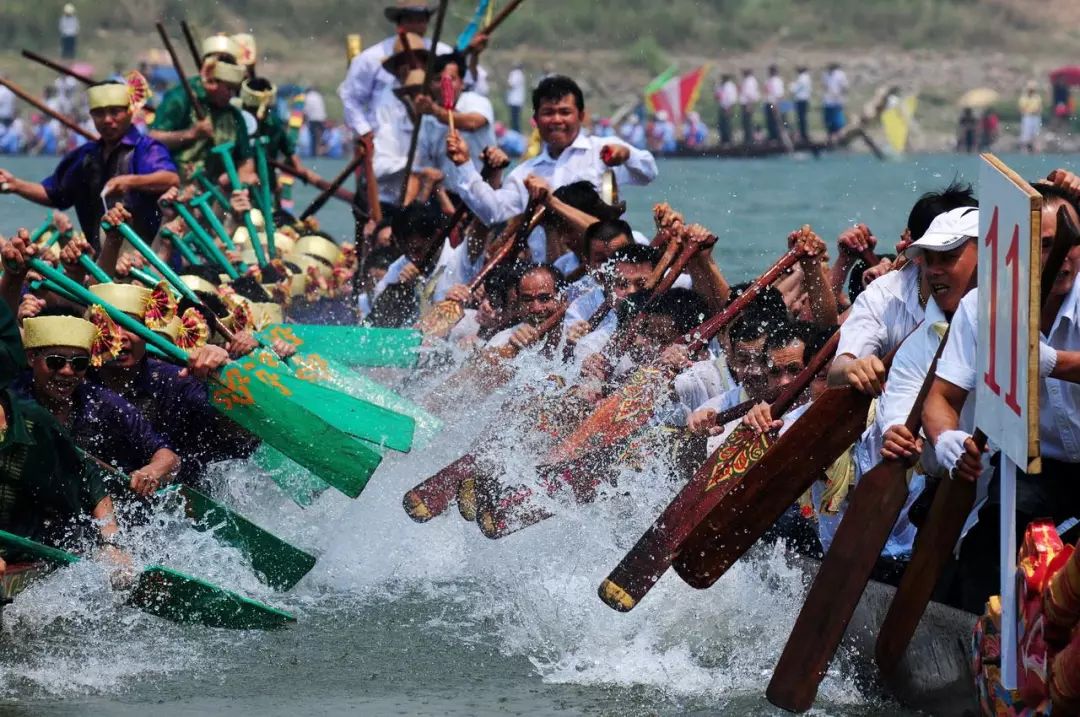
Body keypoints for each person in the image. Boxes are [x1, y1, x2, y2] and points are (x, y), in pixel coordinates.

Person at [923, 183, 1080, 613]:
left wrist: (1053, 362)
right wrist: (946, 441)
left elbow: (1058, 364)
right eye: (1048, 245)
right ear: (1023, 248)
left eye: (1072, 243)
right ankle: (988, 656)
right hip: (1035, 467)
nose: (1065, 257)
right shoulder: (984, 306)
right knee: (986, 548)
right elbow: (940, 398)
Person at [445, 75, 657, 262]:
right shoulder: (524, 175)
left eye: (565, 112)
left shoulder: (603, 150)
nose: (557, 120)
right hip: (552, 278)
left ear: (581, 116)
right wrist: (463, 164)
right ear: (536, 120)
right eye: (548, 113)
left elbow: (648, 173)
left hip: (606, 262)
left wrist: (627, 155)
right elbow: (492, 212)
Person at [18, 313, 181, 501]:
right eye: (56, 361)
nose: (67, 372)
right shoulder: (12, 393)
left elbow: (170, 458)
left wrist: (151, 472)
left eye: (79, 363)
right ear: (31, 358)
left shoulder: (102, 403)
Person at [0, 81, 178, 249]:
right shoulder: (85, 156)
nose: (107, 119)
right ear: (92, 116)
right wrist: (15, 184)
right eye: (99, 113)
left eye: (115, 112)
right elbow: (55, 194)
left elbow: (170, 179)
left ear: (130, 112)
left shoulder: (146, 148)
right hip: (100, 263)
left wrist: (129, 182)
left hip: (151, 257)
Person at [337, 1, 452, 146]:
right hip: (383, 141)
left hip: (431, 141)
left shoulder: (442, 53)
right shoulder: (371, 58)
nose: (416, 26)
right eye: (410, 20)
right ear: (400, 23)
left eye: (421, 20)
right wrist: (364, 131)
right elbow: (351, 97)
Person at [150, 34, 251, 183]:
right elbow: (153, 138)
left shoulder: (233, 115)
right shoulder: (180, 98)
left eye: (234, 90)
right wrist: (191, 134)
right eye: (228, 89)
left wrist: (235, 180)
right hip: (175, 191)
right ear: (213, 80)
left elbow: (246, 163)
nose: (231, 96)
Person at [411, 51, 495, 200]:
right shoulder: (426, 121)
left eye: (451, 79)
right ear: (430, 84)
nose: (445, 84)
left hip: (485, 194)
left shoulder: (477, 102)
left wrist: (436, 111)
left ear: (462, 83)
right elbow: (426, 168)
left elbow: (472, 122)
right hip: (449, 198)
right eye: (438, 79)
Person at [822, 63, 848, 144]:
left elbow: (844, 87)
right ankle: (830, 138)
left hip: (837, 101)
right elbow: (825, 86)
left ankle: (840, 138)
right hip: (828, 101)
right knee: (828, 121)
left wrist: (840, 96)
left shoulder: (840, 75)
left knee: (838, 121)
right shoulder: (826, 75)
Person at [1019, 81, 1043, 153]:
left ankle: (1036, 149)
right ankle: (1024, 149)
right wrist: (1028, 111)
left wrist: (1037, 111)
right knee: (1026, 133)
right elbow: (1021, 108)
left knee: (1036, 132)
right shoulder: (1024, 98)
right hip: (1028, 116)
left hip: (1036, 116)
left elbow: (1040, 106)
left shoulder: (1037, 97)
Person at [714, 73, 737, 147]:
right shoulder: (720, 86)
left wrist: (730, 108)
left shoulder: (730, 86)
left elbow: (732, 98)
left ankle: (729, 140)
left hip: (728, 107)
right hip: (722, 107)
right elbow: (717, 96)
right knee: (722, 125)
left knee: (728, 125)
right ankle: (723, 140)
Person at [764, 65, 785, 143]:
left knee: (775, 121)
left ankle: (777, 138)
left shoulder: (777, 81)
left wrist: (777, 105)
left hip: (774, 103)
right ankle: (772, 137)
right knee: (770, 121)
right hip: (769, 102)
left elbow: (779, 94)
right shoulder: (768, 80)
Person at [738, 69, 760, 146]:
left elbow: (750, 94)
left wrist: (749, 105)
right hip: (746, 103)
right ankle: (748, 139)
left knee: (748, 122)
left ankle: (749, 140)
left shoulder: (750, 81)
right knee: (746, 122)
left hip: (747, 104)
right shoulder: (748, 80)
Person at [791, 66, 812, 143]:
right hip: (804, 100)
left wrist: (791, 88)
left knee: (801, 118)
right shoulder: (807, 77)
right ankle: (804, 134)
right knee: (803, 118)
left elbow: (795, 89)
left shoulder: (802, 78)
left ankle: (803, 135)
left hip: (801, 100)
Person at [304, 86, 327, 154]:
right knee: (322, 135)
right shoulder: (318, 96)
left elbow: (306, 109)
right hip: (321, 118)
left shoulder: (308, 97)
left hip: (313, 118)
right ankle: (323, 150)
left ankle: (313, 152)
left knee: (313, 136)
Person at [506, 63, 526, 134]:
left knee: (514, 120)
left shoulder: (515, 74)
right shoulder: (521, 74)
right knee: (517, 119)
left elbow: (510, 84)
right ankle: (517, 133)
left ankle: (515, 133)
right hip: (519, 100)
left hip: (514, 100)